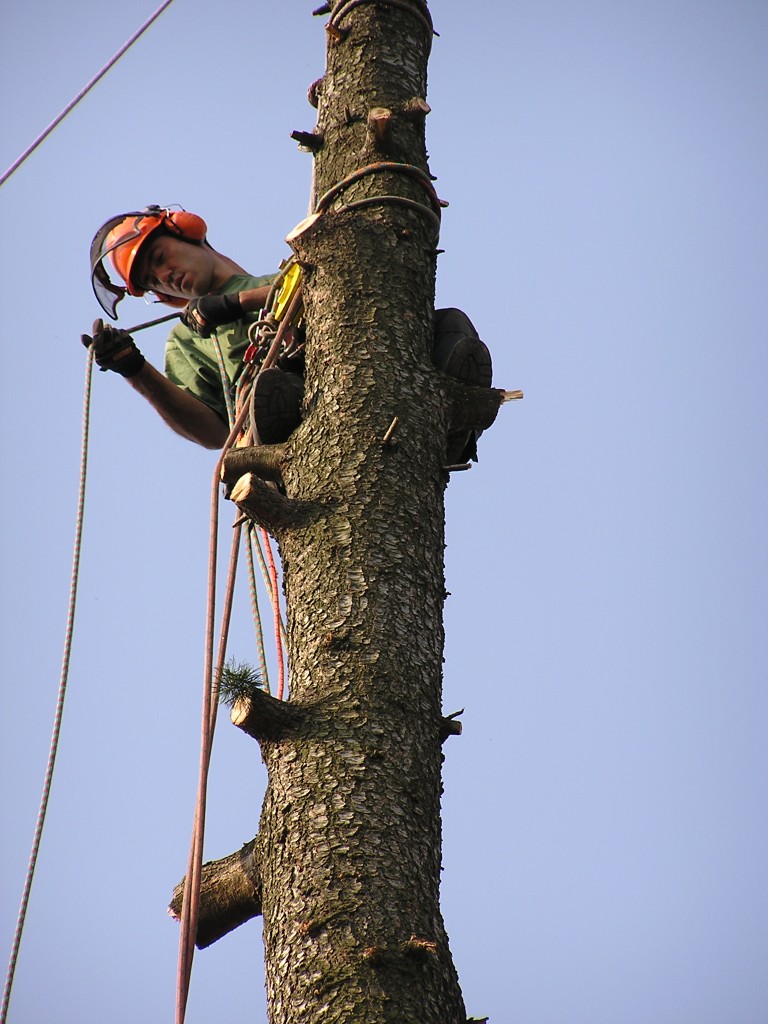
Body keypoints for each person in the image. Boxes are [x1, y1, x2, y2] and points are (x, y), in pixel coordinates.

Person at [84, 205, 492, 459]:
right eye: (153, 280)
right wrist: (135, 370)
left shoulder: (285, 276)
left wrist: (235, 303)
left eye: (159, 257)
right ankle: (286, 427)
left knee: (449, 325)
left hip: (357, 376)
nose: (165, 275)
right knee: (269, 392)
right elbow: (213, 433)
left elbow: (332, 285)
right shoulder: (188, 339)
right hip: (285, 421)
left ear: (187, 230)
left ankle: (453, 421)